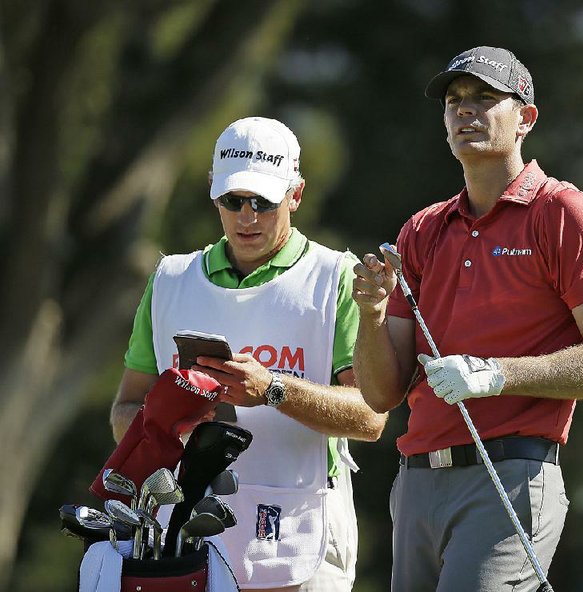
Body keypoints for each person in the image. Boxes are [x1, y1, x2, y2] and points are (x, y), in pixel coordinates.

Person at [352, 46, 583, 591]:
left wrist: (496, 374)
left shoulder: (563, 214)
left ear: (526, 118)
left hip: (509, 475)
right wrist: (370, 315)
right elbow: (380, 395)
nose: (466, 111)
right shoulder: (422, 229)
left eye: (486, 98)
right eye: (455, 100)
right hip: (416, 482)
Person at [110, 116, 387, 591]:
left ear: (295, 195)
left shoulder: (336, 277)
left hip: (303, 533)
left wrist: (273, 389)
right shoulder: (171, 280)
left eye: (263, 202)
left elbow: (370, 416)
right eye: (233, 200)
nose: (247, 217)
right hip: (185, 537)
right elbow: (124, 411)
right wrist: (170, 423)